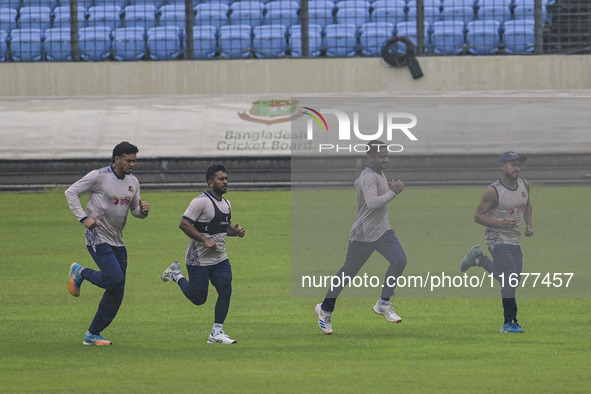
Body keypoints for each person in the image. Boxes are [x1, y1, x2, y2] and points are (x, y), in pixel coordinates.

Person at [315, 140, 408, 335]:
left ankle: (383, 303)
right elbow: (373, 203)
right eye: (381, 156)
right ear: (370, 157)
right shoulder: (368, 177)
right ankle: (325, 309)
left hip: (383, 231)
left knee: (399, 260)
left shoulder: (376, 174)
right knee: (348, 273)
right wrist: (393, 192)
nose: (385, 160)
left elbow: (359, 185)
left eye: (386, 156)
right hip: (363, 234)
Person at [65, 141, 150, 346]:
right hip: (97, 236)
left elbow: (135, 212)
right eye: (128, 161)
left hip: (117, 240)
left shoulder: (133, 182)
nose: (132, 164)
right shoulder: (99, 176)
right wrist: (83, 218)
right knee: (114, 279)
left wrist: (143, 212)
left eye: (134, 161)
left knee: (117, 289)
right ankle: (80, 272)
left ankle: (93, 334)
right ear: (117, 159)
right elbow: (71, 192)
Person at [161, 164, 245, 344]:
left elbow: (224, 228)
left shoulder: (227, 204)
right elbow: (184, 224)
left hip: (220, 258)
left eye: (226, 179)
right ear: (210, 182)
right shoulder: (200, 202)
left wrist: (235, 232)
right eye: (221, 179)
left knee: (225, 290)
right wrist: (204, 240)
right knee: (198, 299)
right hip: (198, 259)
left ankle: (216, 333)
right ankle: (175, 274)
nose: (225, 182)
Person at [460, 151, 533, 334]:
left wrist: (529, 225)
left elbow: (528, 205)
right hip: (496, 239)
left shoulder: (525, 185)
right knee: (510, 279)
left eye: (518, 165)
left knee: (513, 280)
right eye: (512, 164)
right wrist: (501, 223)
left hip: (514, 239)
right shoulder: (493, 191)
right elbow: (478, 216)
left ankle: (479, 260)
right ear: (502, 167)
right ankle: (509, 323)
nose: (516, 168)